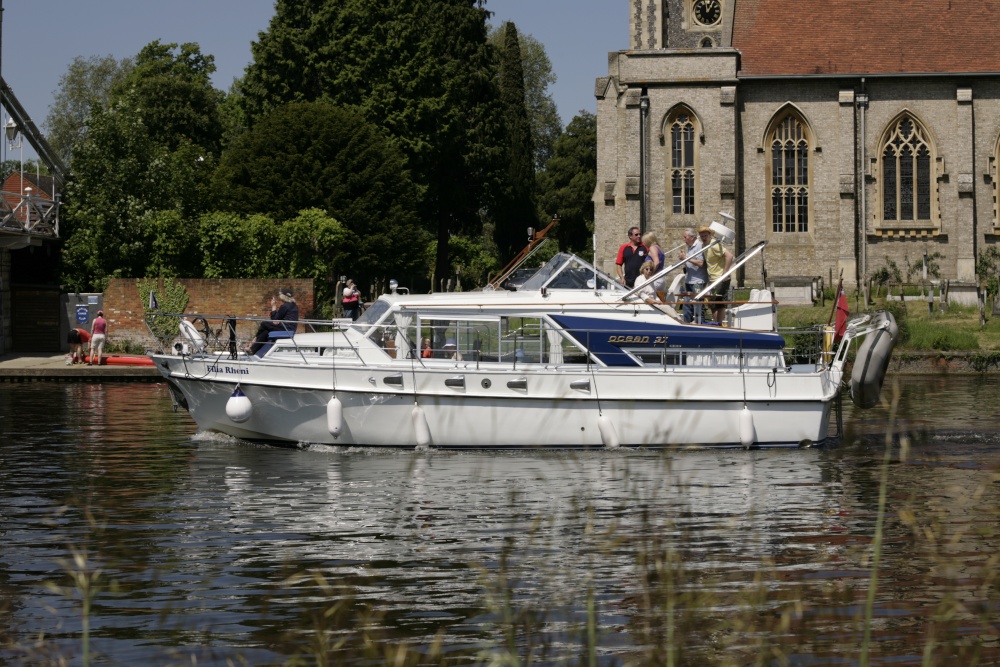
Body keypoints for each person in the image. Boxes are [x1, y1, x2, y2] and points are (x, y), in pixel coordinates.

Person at [698, 225, 735, 324]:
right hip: (712, 279)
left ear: (710, 235)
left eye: (705, 236)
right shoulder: (704, 246)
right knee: (712, 303)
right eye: (702, 236)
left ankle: (719, 324)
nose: (704, 238)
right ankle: (718, 323)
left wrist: (725, 273)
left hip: (720, 278)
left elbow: (729, 256)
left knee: (717, 302)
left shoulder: (714, 245)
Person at [249, 289, 299, 355]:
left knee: (264, 323)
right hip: (290, 327)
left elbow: (274, 319)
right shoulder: (294, 306)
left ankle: (254, 340)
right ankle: (253, 349)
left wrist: (273, 306)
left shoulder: (285, 306)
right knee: (266, 331)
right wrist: (278, 321)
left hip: (286, 328)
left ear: (283, 297)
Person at [678, 227, 708, 322]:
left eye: (685, 237)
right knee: (686, 305)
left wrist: (686, 258)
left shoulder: (699, 246)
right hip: (689, 280)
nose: (683, 239)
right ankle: (687, 325)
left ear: (692, 237)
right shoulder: (689, 247)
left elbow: (701, 263)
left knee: (698, 306)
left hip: (698, 281)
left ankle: (700, 325)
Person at [642, 231, 667, 295]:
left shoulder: (652, 248)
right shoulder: (659, 247)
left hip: (655, 278)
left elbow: (656, 262)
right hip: (660, 277)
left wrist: (650, 274)